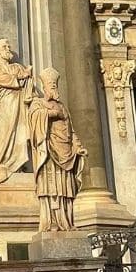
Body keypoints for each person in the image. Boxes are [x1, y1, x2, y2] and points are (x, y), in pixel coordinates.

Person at [27, 68, 85, 232]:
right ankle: (50, 221)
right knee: (51, 187)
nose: (54, 88)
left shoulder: (63, 107)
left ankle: (66, 222)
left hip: (65, 152)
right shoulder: (38, 103)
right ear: (44, 88)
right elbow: (34, 118)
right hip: (48, 151)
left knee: (65, 189)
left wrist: (78, 146)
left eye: (55, 86)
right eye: (50, 86)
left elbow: (71, 129)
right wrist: (52, 113)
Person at [0, 40, 34, 186]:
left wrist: (27, 76)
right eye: (4, 47)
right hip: (2, 105)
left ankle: (17, 165)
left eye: (8, 47)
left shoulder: (16, 67)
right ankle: (2, 164)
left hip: (18, 104)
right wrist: (20, 77)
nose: (8, 49)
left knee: (18, 133)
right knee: (3, 135)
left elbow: (27, 79)